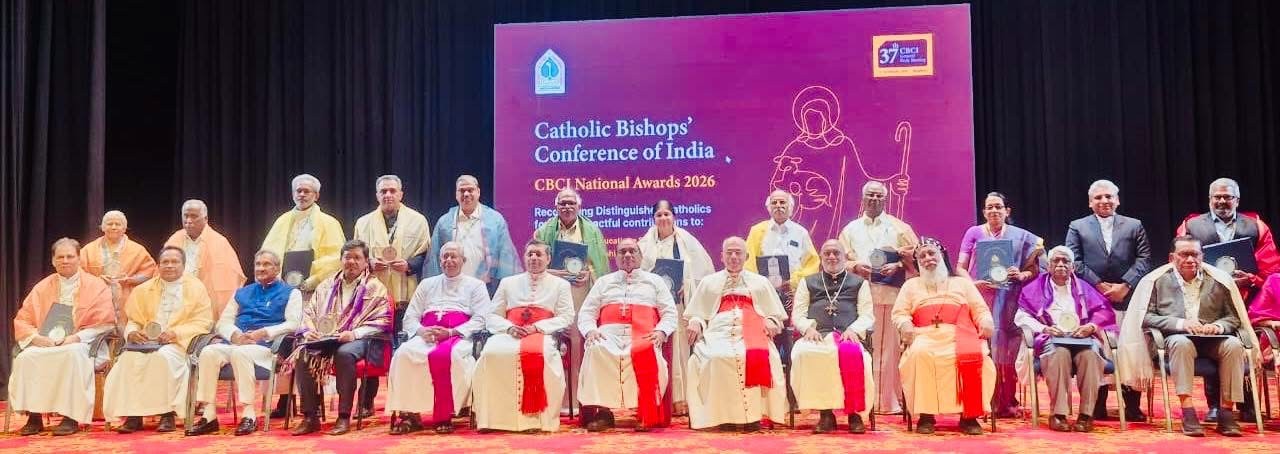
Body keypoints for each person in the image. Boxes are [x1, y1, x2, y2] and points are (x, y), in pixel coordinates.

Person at [1118, 236, 1257, 437]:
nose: (1190, 259)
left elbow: (1233, 317)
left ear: (1202, 256)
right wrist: (1181, 324)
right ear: (1172, 257)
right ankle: (1188, 411)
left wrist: (1218, 326)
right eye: (1184, 254)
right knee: (1181, 343)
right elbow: (1146, 316)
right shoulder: (1156, 280)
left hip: (1212, 340)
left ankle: (1226, 412)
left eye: (1195, 254)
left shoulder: (1219, 279)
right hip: (1173, 339)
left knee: (1234, 345)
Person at [1176, 178, 1277, 422]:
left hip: (1248, 298)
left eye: (1228, 197)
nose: (1222, 201)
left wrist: (1251, 279)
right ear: (1210, 199)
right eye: (1217, 197)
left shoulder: (1256, 226)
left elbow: (1271, 264)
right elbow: (1182, 259)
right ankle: (1214, 404)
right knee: (1213, 343)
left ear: (1237, 200)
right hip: (1205, 297)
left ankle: (1248, 403)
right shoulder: (1191, 225)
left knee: (1246, 345)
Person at [185, 250, 302, 436]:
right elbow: (223, 322)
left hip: (267, 347)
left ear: (277, 268)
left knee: (241, 353)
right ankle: (209, 415)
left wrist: (263, 333)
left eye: (266, 264)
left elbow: (293, 324)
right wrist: (236, 335)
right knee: (208, 352)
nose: (261, 268)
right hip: (238, 343)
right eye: (258, 264)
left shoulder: (291, 293)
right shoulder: (242, 292)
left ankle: (249, 415)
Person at [9, 239, 116, 436]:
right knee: (26, 357)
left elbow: (105, 323)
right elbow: (23, 319)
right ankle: (34, 417)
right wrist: (36, 338)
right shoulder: (42, 287)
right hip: (47, 342)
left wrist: (76, 338)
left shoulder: (96, 286)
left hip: (83, 344)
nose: (65, 260)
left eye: (70, 256)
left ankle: (71, 417)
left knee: (72, 354)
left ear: (79, 258)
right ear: (53, 260)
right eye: (60, 257)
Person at [1064, 179, 1152, 421]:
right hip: (1093, 298)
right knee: (1100, 349)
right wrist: (1099, 286)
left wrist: (1125, 285)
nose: (1104, 201)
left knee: (1130, 348)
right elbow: (1074, 260)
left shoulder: (1134, 225)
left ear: (1117, 200)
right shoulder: (1077, 226)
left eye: (1109, 196)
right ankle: (1097, 403)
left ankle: (1132, 405)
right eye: (1098, 197)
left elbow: (1144, 258)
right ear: (1090, 203)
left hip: (1127, 298)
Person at [103, 246, 214, 433]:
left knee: (161, 358)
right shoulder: (143, 289)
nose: (169, 266)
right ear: (158, 265)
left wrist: (176, 333)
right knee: (128, 359)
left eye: (174, 262)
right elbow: (134, 320)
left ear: (183, 265)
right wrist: (132, 333)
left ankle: (167, 414)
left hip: (178, 344)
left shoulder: (196, 288)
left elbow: (203, 322)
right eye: (165, 262)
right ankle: (133, 416)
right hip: (146, 342)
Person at [287, 240, 393, 436]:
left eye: (357, 258)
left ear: (366, 261)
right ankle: (310, 417)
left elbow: (382, 321)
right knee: (304, 354)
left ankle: (343, 417)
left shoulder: (375, 287)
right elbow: (309, 313)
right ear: (341, 260)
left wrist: (354, 334)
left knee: (344, 354)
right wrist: (310, 331)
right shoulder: (326, 285)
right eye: (347, 257)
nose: (351, 261)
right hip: (327, 338)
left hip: (361, 340)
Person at [386, 242, 493, 435]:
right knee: (404, 354)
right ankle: (409, 414)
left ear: (463, 260)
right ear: (440, 260)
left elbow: (482, 318)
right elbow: (410, 317)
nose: (449, 260)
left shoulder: (476, 286)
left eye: (454, 256)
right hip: (427, 335)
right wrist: (421, 331)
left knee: (452, 358)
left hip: (457, 337)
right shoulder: (427, 284)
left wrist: (451, 333)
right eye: (445, 257)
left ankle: (445, 414)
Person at [893, 238, 996, 435]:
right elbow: (900, 313)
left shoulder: (962, 283)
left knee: (976, 357)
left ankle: (969, 416)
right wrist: (905, 325)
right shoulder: (910, 285)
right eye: (922, 256)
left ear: (942, 255)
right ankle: (926, 416)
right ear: (917, 262)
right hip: (923, 335)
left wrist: (986, 322)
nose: (928, 258)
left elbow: (980, 310)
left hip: (959, 334)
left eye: (932, 253)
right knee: (919, 354)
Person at [684, 237, 788, 431]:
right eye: (729, 253)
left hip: (754, 330)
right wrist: (696, 322)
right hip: (718, 331)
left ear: (746, 256)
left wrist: (772, 320)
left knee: (756, 354)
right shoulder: (708, 282)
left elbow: (775, 314)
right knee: (715, 357)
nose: (733, 257)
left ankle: (753, 417)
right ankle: (722, 417)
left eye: (738, 253)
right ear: (721, 256)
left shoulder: (761, 282)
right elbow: (698, 313)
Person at [472, 239, 575, 433]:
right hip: (510, 332)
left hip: (542, 334)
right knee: (490, 354)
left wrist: (537, 327)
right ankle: (494, 420)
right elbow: (492, 315)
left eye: (539, 254)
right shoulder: (508, 282)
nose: (534, 258)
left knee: (543, 355)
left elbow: (567, 316)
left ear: (548, 259)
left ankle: (535, 421)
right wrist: (509, 328)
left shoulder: (560, 285)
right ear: (524, 257)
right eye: (530, 254)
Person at [956, 192, 1043, 417]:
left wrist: (1021, 274)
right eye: (990, 207)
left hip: (1010, 302)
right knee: (985, 350)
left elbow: (1035, 268)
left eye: (998, 207)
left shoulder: (1022, 236)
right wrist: (974, 284)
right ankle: (984, 400)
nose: (994, 211)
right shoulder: (974, 233)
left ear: (1007, 211)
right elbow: (960, 268)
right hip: (980, 300)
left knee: (1008, 352)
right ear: (984, 212)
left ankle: (1007, 401)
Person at [576, 238, 677, 432]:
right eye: (622, 252)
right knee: (596, 349)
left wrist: (661, 331)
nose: (628, 255)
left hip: (643, 333)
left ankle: (645, 412)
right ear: (616, 257)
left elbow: (669, 312)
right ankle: (604, 413)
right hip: (609, 334)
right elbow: (587, 312)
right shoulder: (604, 282)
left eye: (632, 251)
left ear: (640, 256)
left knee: (646, 350)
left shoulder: (655, 281)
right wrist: (590, 330)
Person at [1014, 246, 1117, 432]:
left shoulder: (1084, 288)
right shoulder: (1034, 288)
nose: (1061, 265)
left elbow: (1103, 311)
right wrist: (1044, 328)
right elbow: (1021, 317)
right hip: (1051, 338)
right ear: (1048, 266)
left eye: (1066, 261)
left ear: (1073, 267)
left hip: (1082, 338)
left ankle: (1086, 415)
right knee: (1059, 353)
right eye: (1056, 261)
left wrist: (1091, 327)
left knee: (1090, 356)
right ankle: (1058, 414)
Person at [838, 181, 918, 414]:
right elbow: (840, 260)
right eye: (870, 196)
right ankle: (861, 400)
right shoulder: (850, 229)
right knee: (861, 349)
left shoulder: (900, 228)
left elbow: (916, 257)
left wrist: (898, 265)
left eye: (878, 196)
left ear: (885, 199)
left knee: (890, 349)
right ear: (862, 198)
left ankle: (889, 400)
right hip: (859, 296)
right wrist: (855, 266)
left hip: (891, 295)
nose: (874, 199)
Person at [533, 187, 609, 411]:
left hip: (580, 294)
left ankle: (578, 400)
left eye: (571, 203)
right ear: (555, 207)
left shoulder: (592, 232)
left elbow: (600, 267)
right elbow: (535, 265)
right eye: (562, 203)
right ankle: (555, 400)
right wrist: (555, 273)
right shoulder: (543, 232)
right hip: (552, 296)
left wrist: (589, 274)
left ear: (579, 206)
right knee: (552, 343)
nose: (567, 207)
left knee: (578, 344)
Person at [636, 199, 715, 412]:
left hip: (680, 305)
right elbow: (639, 273)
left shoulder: (686, 241)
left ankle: (682, 399)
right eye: (659, 215)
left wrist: (686, 285)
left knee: (680, 350)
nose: (663, 218)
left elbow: (704, 274)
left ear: (674, 217)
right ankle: (659, 398)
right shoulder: (644, 245)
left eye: (667, 214)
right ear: (653, 219)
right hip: (654, 308)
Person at [790, 240, 875, 434]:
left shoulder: (859, 283)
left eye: (836, 253)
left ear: (844, 257)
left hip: (848, 336)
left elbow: (867, 315)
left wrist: (854, 330)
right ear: (821, 257)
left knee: (860, 357)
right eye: (827, 253)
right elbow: (798, 314)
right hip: (817, 336)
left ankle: (855, 414)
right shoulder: (807, 282)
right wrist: (807, 328)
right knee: (806, 354)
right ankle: (826, 414)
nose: (832, 257)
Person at [426, 175, 521, 294]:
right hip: (452, 287)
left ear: (478, 192)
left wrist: (507, 291)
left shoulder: (495, 220)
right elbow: (434, 259)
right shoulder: (444, 222)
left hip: (486, 288)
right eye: (462, 190)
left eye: (470, 190)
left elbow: (506, 257)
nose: (466, 194)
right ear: (456, 194)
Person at [261, 173, 346, 293]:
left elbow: (336, 258)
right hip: (281, 287)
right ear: (293, 194)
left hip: (315, 288)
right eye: (298, 191)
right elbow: (267, 253)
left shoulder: (329, 222)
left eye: (306, 191)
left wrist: (313, 281)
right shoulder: (281, 221)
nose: (301, 194)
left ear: (316, 196)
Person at [165, 199, 247, 319]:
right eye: (186, 216)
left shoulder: (219, 242)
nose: (188, 221)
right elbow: (162, 271)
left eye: (194, 216)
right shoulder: (174, 239)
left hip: (206, 302)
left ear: (205, 218)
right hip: (176, 298)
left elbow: (231, 280)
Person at [80, 211, 156, 321]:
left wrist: (129, 280)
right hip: (96, 300)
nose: (113, 227)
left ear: (124, 228)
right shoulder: (89, 249)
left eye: (118, 224)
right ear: (102, 227)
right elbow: (78, 273)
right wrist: (96, 280)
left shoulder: (138, 250)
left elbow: (150, 273)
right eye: (109, 224)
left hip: (127, 299)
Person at [745, 189, 820, 300]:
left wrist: (794, 281)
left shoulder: (801, 232)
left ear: (790, 206)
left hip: (793, 292)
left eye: (782, 202)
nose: (778, 205)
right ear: (769, 208)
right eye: (774, 203)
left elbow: (812, 263)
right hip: (763, 292)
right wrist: (759, 284)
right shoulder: (756, 231)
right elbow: (748, 262)